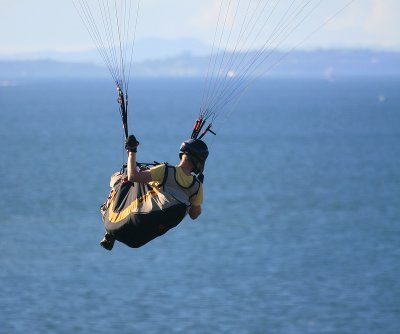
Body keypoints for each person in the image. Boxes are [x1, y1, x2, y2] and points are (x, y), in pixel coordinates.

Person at [99, 134, 209, 250]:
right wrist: (195, 192)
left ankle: (109, 234)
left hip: (118, 226)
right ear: (199, 162)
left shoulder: (165, 171)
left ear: (182, 153)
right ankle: (111, 234)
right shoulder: (196, 187)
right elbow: (194, 214)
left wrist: (132, 151)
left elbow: (132, 176)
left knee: (118, 178)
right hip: (137, 240)